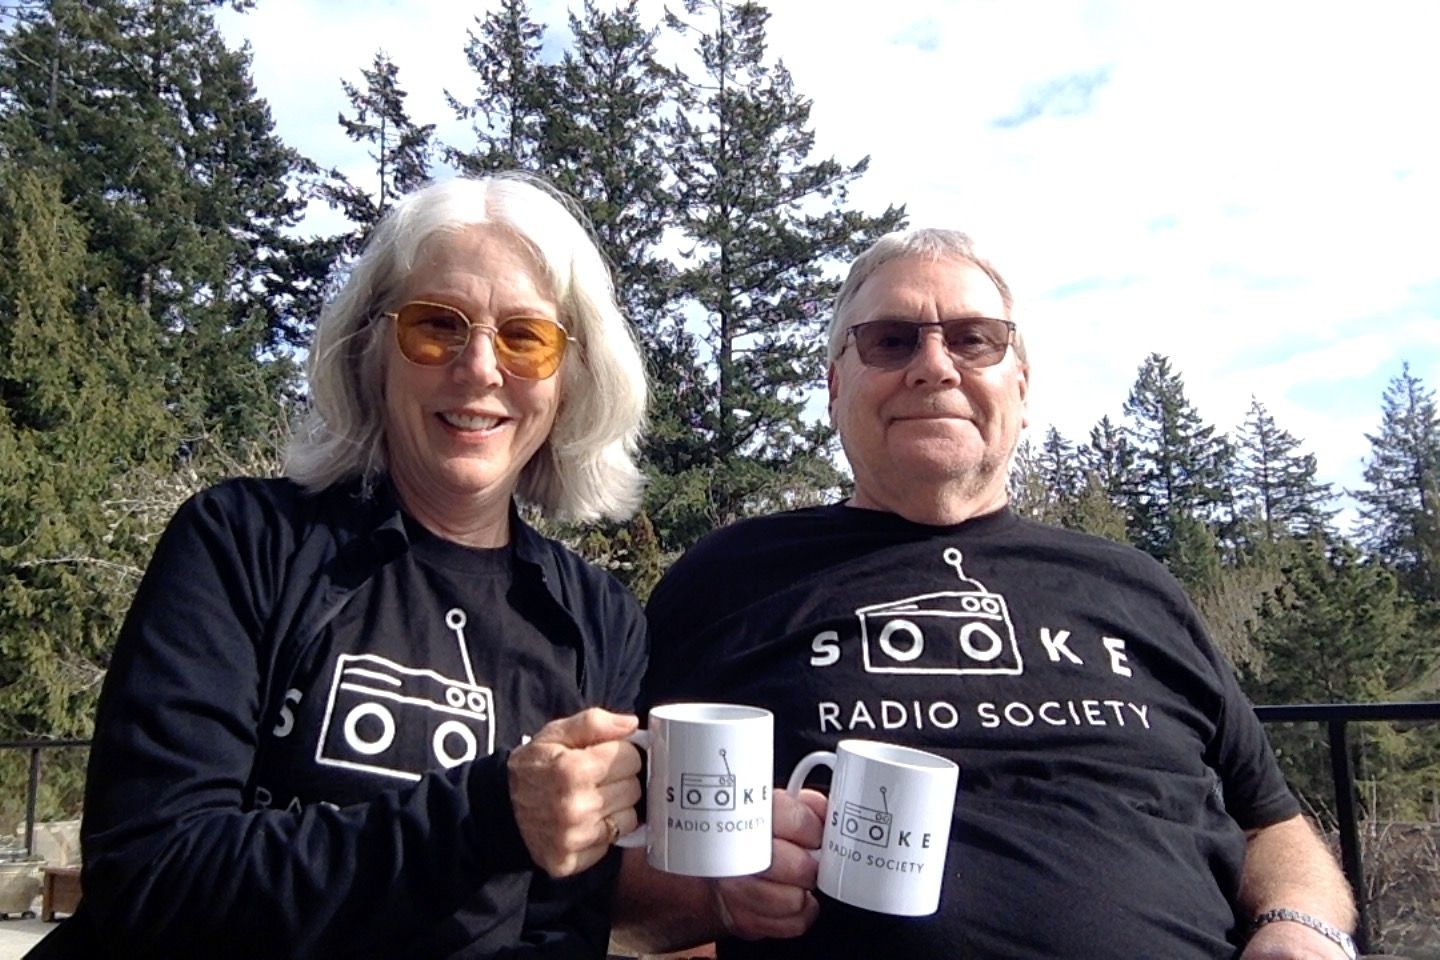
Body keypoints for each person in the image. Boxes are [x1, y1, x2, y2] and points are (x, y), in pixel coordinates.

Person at [614, 228, 1360, 959]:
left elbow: (1271, 826)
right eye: (890, 340)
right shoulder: (731, 578)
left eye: (974, 339)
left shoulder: (1136, 587)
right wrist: (717, 895)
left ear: (1022, 389)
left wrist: (1302, 929)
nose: (934, 367)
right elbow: (611, 871)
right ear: (837, 388)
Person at [32, 173, 651, 959]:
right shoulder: (243, 541)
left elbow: (561, 930)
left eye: (526, 337)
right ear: (372, 350)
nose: (481, 368)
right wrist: (488, 815)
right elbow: (153, 876)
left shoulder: (600, 622)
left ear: (571, 380)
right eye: (438, 325)